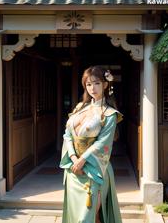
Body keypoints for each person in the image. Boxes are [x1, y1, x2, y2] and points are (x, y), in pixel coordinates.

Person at [60, 66, 123, 223]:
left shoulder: (110, 114)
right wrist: (74, 158)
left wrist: (82, 160)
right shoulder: (79, 108)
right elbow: (67, 134)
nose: (92, 88)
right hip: (74, 170)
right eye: (88, 84)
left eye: (96, 83)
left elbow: (103, 143)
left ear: (105, 84)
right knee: (75, 216)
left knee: (90, 215)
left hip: (94, 170)